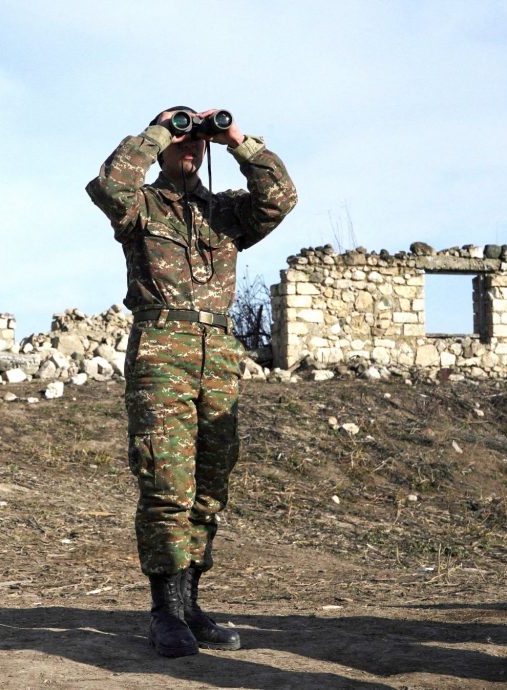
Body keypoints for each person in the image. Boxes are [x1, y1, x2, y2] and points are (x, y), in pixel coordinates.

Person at [85, 106, 297, 657]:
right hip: (161, 354)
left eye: (193, 139)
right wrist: (159, 130)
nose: (188, 145)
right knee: (165, 482)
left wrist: (235, 140)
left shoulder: (225, 213)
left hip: (219, 359)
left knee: (210, 486)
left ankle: (192, 603)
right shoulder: (141, 206)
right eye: (182, 138)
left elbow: (280, 198)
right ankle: (166, 613)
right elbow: (110, 185)